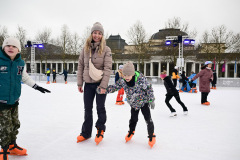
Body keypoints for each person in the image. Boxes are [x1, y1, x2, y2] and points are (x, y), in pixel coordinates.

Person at [0, 37, 51, 160]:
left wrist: (37, 87)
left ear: (18, 50)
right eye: (8, 46)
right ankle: (4, 149)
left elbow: (25, 78)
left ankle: (12, 146)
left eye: (14, 46)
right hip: (1, 102)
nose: (11, 48)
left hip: (15, 101)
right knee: (5, 127)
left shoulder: (20, 63)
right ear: (3, 48)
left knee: (15, 124)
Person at [101, 62, 156, 148]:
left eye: (128, 75)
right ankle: (131, 131)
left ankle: (151, 135)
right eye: (124, 75)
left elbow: (149, 88)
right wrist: (105, 90)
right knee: (133, 119)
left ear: (133, 74)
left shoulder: (140, 79)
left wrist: (152, 99)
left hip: (143, 102)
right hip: (134, 103)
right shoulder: (123, 81)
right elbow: (115, 87)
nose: (126, 77)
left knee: (148, 119)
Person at [77, 22, 112, 145]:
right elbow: (80, 66)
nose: (97, 35)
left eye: (99, 33)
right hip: (88, 84)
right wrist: (80, 83)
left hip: (100, 84)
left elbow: (108, 69)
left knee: (100, 108)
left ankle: (100, 129)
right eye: (95, 32)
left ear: (102, 35)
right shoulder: (85, 49)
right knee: (87, 109)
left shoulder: (106, 50)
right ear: (91, 34)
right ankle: (86, 133)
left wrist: (103, 86)